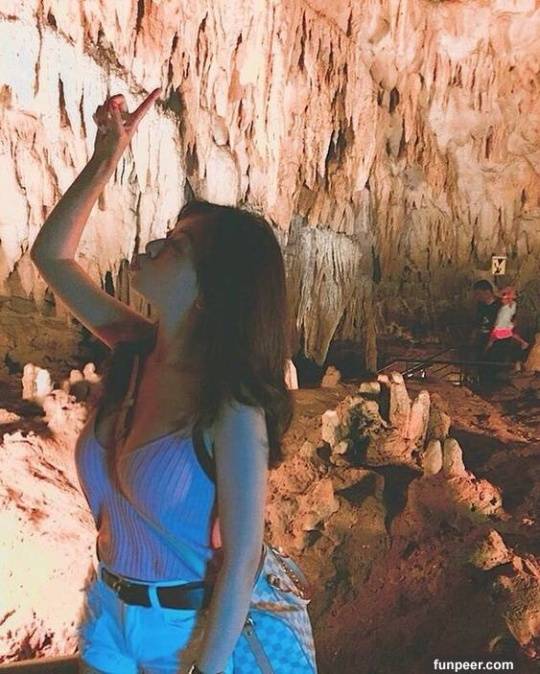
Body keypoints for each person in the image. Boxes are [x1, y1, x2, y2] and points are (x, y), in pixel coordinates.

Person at [30, 91, 301, 674]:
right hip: (107, 610)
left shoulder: (231, 407)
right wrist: (106, 158)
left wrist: (207, 667)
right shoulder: (134, 350)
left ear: (211, 289)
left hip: (183, 631)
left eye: (175, 246)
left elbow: (243, 558)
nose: (152, 245)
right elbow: (52, 256)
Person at [486, 286, 529, 352]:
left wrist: (508, 292)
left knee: (499, 336)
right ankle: (487, 349)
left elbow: (502, 295)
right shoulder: (506, 305)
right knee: (495, 337)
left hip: (503, 323)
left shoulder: (511, 304)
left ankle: (523, 343)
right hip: (502, 323)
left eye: (505, 299)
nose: (502, 300)